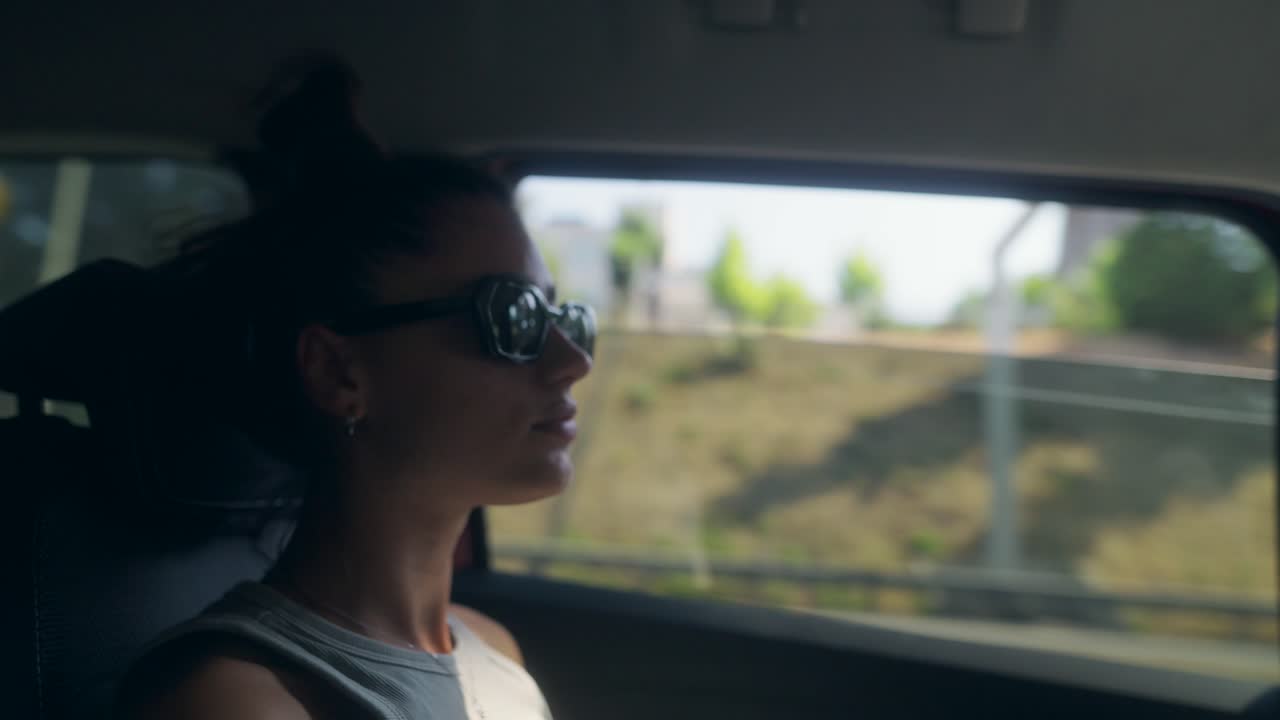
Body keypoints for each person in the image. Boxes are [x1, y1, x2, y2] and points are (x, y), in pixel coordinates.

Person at [116, 60, 594, 720]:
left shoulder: (493, 650)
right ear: (338, 373)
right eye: (511, 315)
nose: (572, 361)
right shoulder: (237, 698)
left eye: (561, 317)